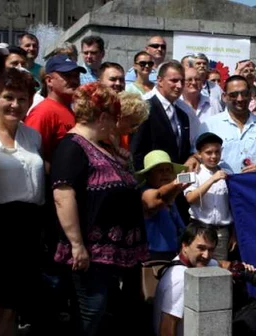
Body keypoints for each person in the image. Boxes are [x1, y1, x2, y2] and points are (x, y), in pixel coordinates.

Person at [51, 83, 148, 335]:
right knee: (90, 311)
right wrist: (76, 244)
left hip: (110, 253)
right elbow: (63, 195)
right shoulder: (73, 146)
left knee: (102, 312)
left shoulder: (100, 147)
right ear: (103, 117)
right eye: (113, 118)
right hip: (90, 252)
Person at [0, 68, 43, 336]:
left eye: (22, 99)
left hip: (28, 227)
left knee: (15, 304)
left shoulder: (32, 136)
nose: (15, 104)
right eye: (8, 97)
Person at [153, 223, 256, 336]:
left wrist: (241, 268)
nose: (206, 255)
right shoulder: (181, 279)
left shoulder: (197, 263)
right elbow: (166, 329)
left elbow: (221, 264)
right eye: (201, 248)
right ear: (184, 246)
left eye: (211, 250)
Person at [199, 75, 256, 174]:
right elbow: (196, 156)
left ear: (250, 95)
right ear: (224, 97)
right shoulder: (210, 125)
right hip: (221, 186)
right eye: (233, 95)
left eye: (244, 94)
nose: (240, 99)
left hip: (255, 185)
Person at [24, 54, 85, 166]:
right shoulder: (43, 112)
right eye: (67, 75)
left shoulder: (72, 109)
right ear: (49, 80)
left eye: (76, 76)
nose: (74, 80)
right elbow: (30, 156)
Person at [183, 133, 232, 261]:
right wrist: (212, 180)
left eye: (217, 152)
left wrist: (235, 234)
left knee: (220, 269)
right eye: (208, 153)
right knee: (198, 266)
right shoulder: (195, 173)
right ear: (199, 154)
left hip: (222, 233)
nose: (214, 156)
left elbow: (234, 205)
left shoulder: (228, 173)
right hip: (200, 230)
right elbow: (190, 198)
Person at [139, 150, 189, 261]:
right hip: (153, 256)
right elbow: (154, 200)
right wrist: (176, 183)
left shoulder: (171, 194)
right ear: (148, 175)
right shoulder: (144, 192)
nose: (165, 174)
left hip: (173, 253)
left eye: (168, 170)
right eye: (160, 171)